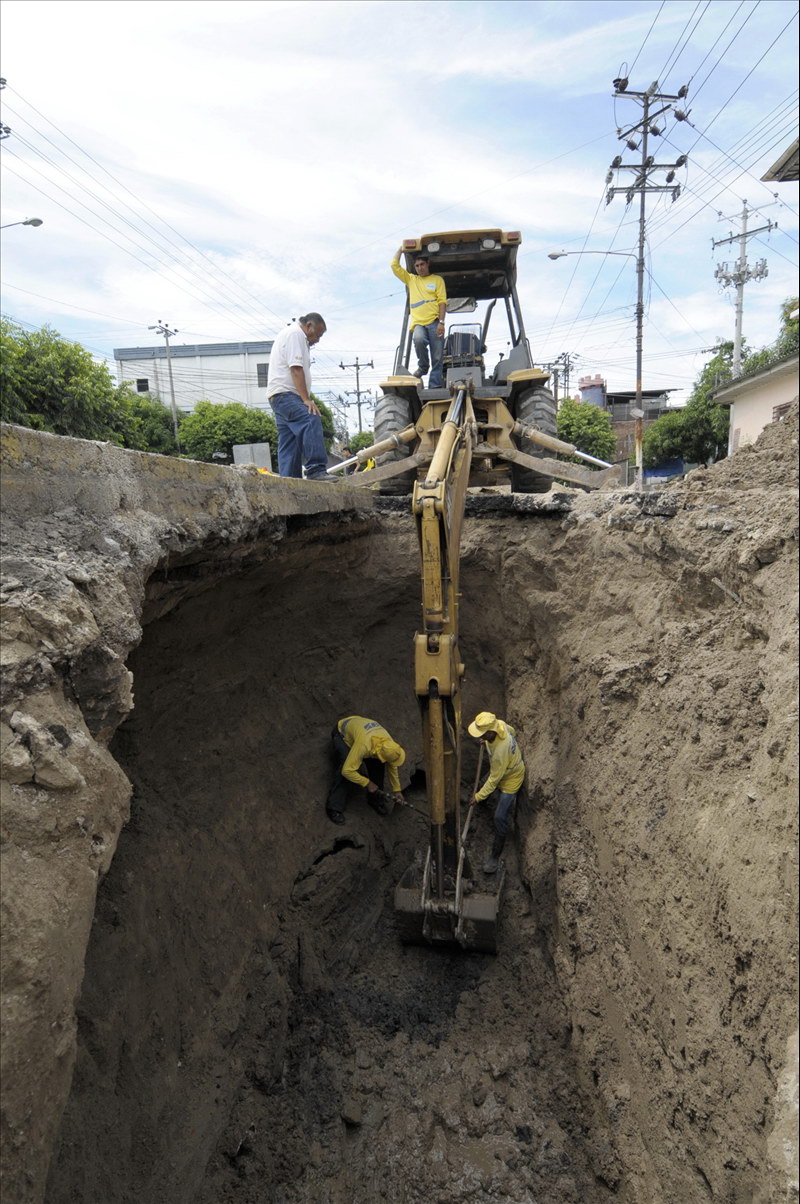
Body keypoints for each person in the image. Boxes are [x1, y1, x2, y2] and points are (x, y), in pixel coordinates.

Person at [266, 313, 332, 480]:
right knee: (310, 417)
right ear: (309, 325)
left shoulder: (294, 336)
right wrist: (306, 399)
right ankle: (316, 470)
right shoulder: (296, 334)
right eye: (318, 334)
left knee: (289, 441)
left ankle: (289, 482)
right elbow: (296, 369)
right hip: (286, 395)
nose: (317, 339)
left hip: (278, 396)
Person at [467, 711, 526, 874]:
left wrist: (478, 797)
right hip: (501, 770)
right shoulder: (499, 725)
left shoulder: (501, 751)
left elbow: (494, 779)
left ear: (491, 732)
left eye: (482, 734)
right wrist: (485, 741)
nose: (480, 736)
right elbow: (512, 730)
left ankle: (494, 856)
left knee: (499, 817)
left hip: (511, 778)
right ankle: (483, 805)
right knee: (481, 784)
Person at [327, 715, 406, 824]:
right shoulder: (364, 746)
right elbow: (347, 771)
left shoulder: (389, 745)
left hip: (361, 731)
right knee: (347, 767)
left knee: (378, 765)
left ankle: (375, 800)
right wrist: (367, 783)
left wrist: (397, 790)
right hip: (342, 733)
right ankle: (334, 808)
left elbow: (392, 765)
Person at [391, 248, 447, 387]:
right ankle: (423, 366)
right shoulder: (411, 279)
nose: (419, 268)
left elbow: (442, 302)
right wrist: (401, 250)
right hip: (418, 323)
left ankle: (434, 385)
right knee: (418, 339)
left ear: (428, 264)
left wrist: (441, 322)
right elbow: (394, 266)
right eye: (417, 266)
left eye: (422, 264)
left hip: (434, 322)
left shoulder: (437, 280)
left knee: (437, 355)